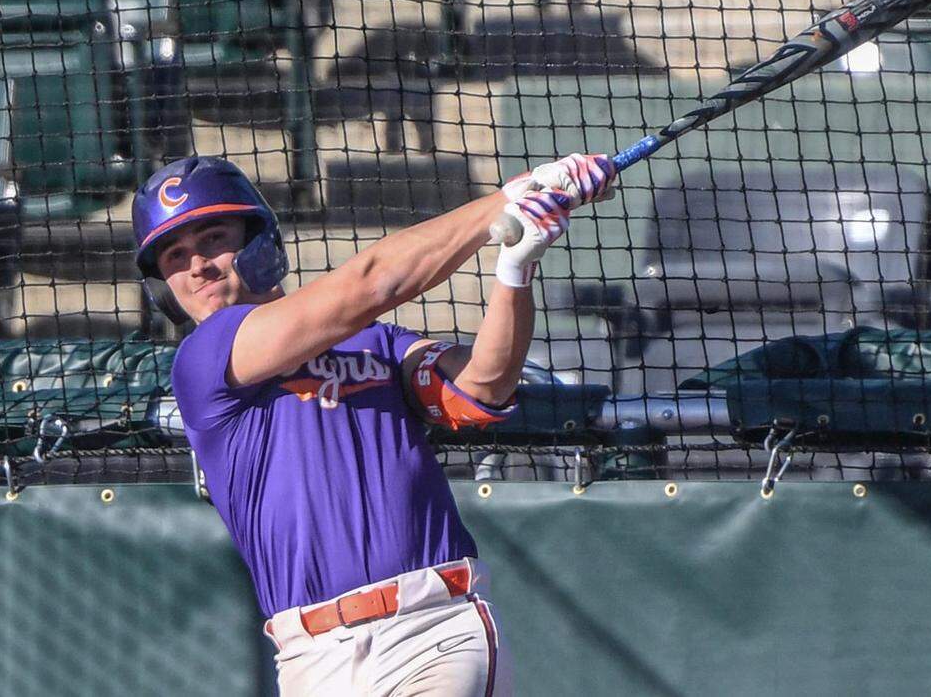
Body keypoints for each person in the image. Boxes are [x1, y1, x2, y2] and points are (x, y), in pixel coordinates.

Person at [131, 154, 616, 696]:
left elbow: (482, 387)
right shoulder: (202, 360)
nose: (197, 265)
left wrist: (515, 270)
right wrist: (508, 201)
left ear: (260, 242)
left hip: (432, 629)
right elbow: (373, 282)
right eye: (175, 255)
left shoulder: (377, 344)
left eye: (213, 237)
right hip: (309, 656)